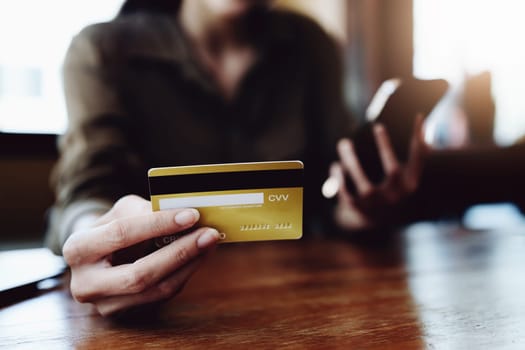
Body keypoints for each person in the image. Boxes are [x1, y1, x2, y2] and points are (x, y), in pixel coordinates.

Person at [45, 0, 425, 316]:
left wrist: (356, 212)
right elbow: (86, 189)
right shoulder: (101, 51)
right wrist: (95, 237)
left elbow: (326, 190)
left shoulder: (311, 45)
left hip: (301, 305)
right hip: (173, 315)